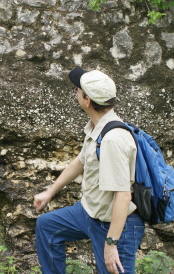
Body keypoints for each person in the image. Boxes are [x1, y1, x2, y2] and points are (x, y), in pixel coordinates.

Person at [33, 68, 145, 274]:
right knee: (47, 226)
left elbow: (123, 195)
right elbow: (81, 161)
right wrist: (50, 191)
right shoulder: (97, 127)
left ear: (88, 101)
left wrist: (111, 243)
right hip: (89, 213)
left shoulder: (113, 139)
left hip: (116, 225)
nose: (75, 92)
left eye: (78, 90)